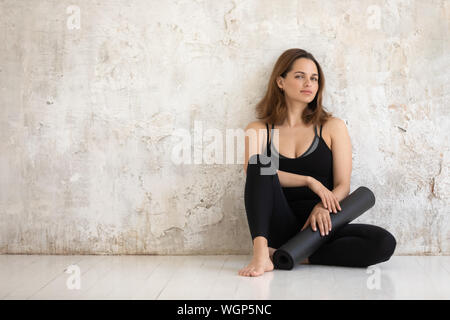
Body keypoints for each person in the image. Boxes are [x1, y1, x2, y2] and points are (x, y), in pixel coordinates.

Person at [238, 48, 396, 277]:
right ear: (280, 82)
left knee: (382, 242)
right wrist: (309, 181)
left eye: (314, 78)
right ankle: (262, 254)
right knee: (259, 164)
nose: (309, 83)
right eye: (300, 76)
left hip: (320, 227)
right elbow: (252, 171)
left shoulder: (333, 127)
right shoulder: (259, 129)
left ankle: (289, 255)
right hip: (279, 223)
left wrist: (322, 207)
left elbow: (343, 185)